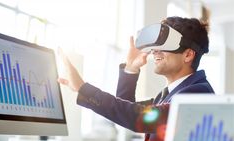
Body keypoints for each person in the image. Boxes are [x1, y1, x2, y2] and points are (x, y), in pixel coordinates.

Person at [58, 16, 215, 141]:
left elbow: (138, 117)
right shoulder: (167, 95)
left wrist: (83, 88)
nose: (155, 52)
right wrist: (131, 69)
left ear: (188, 54)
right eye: (155, 47)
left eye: (163, 46)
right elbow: (127, 109)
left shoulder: (197, 94)